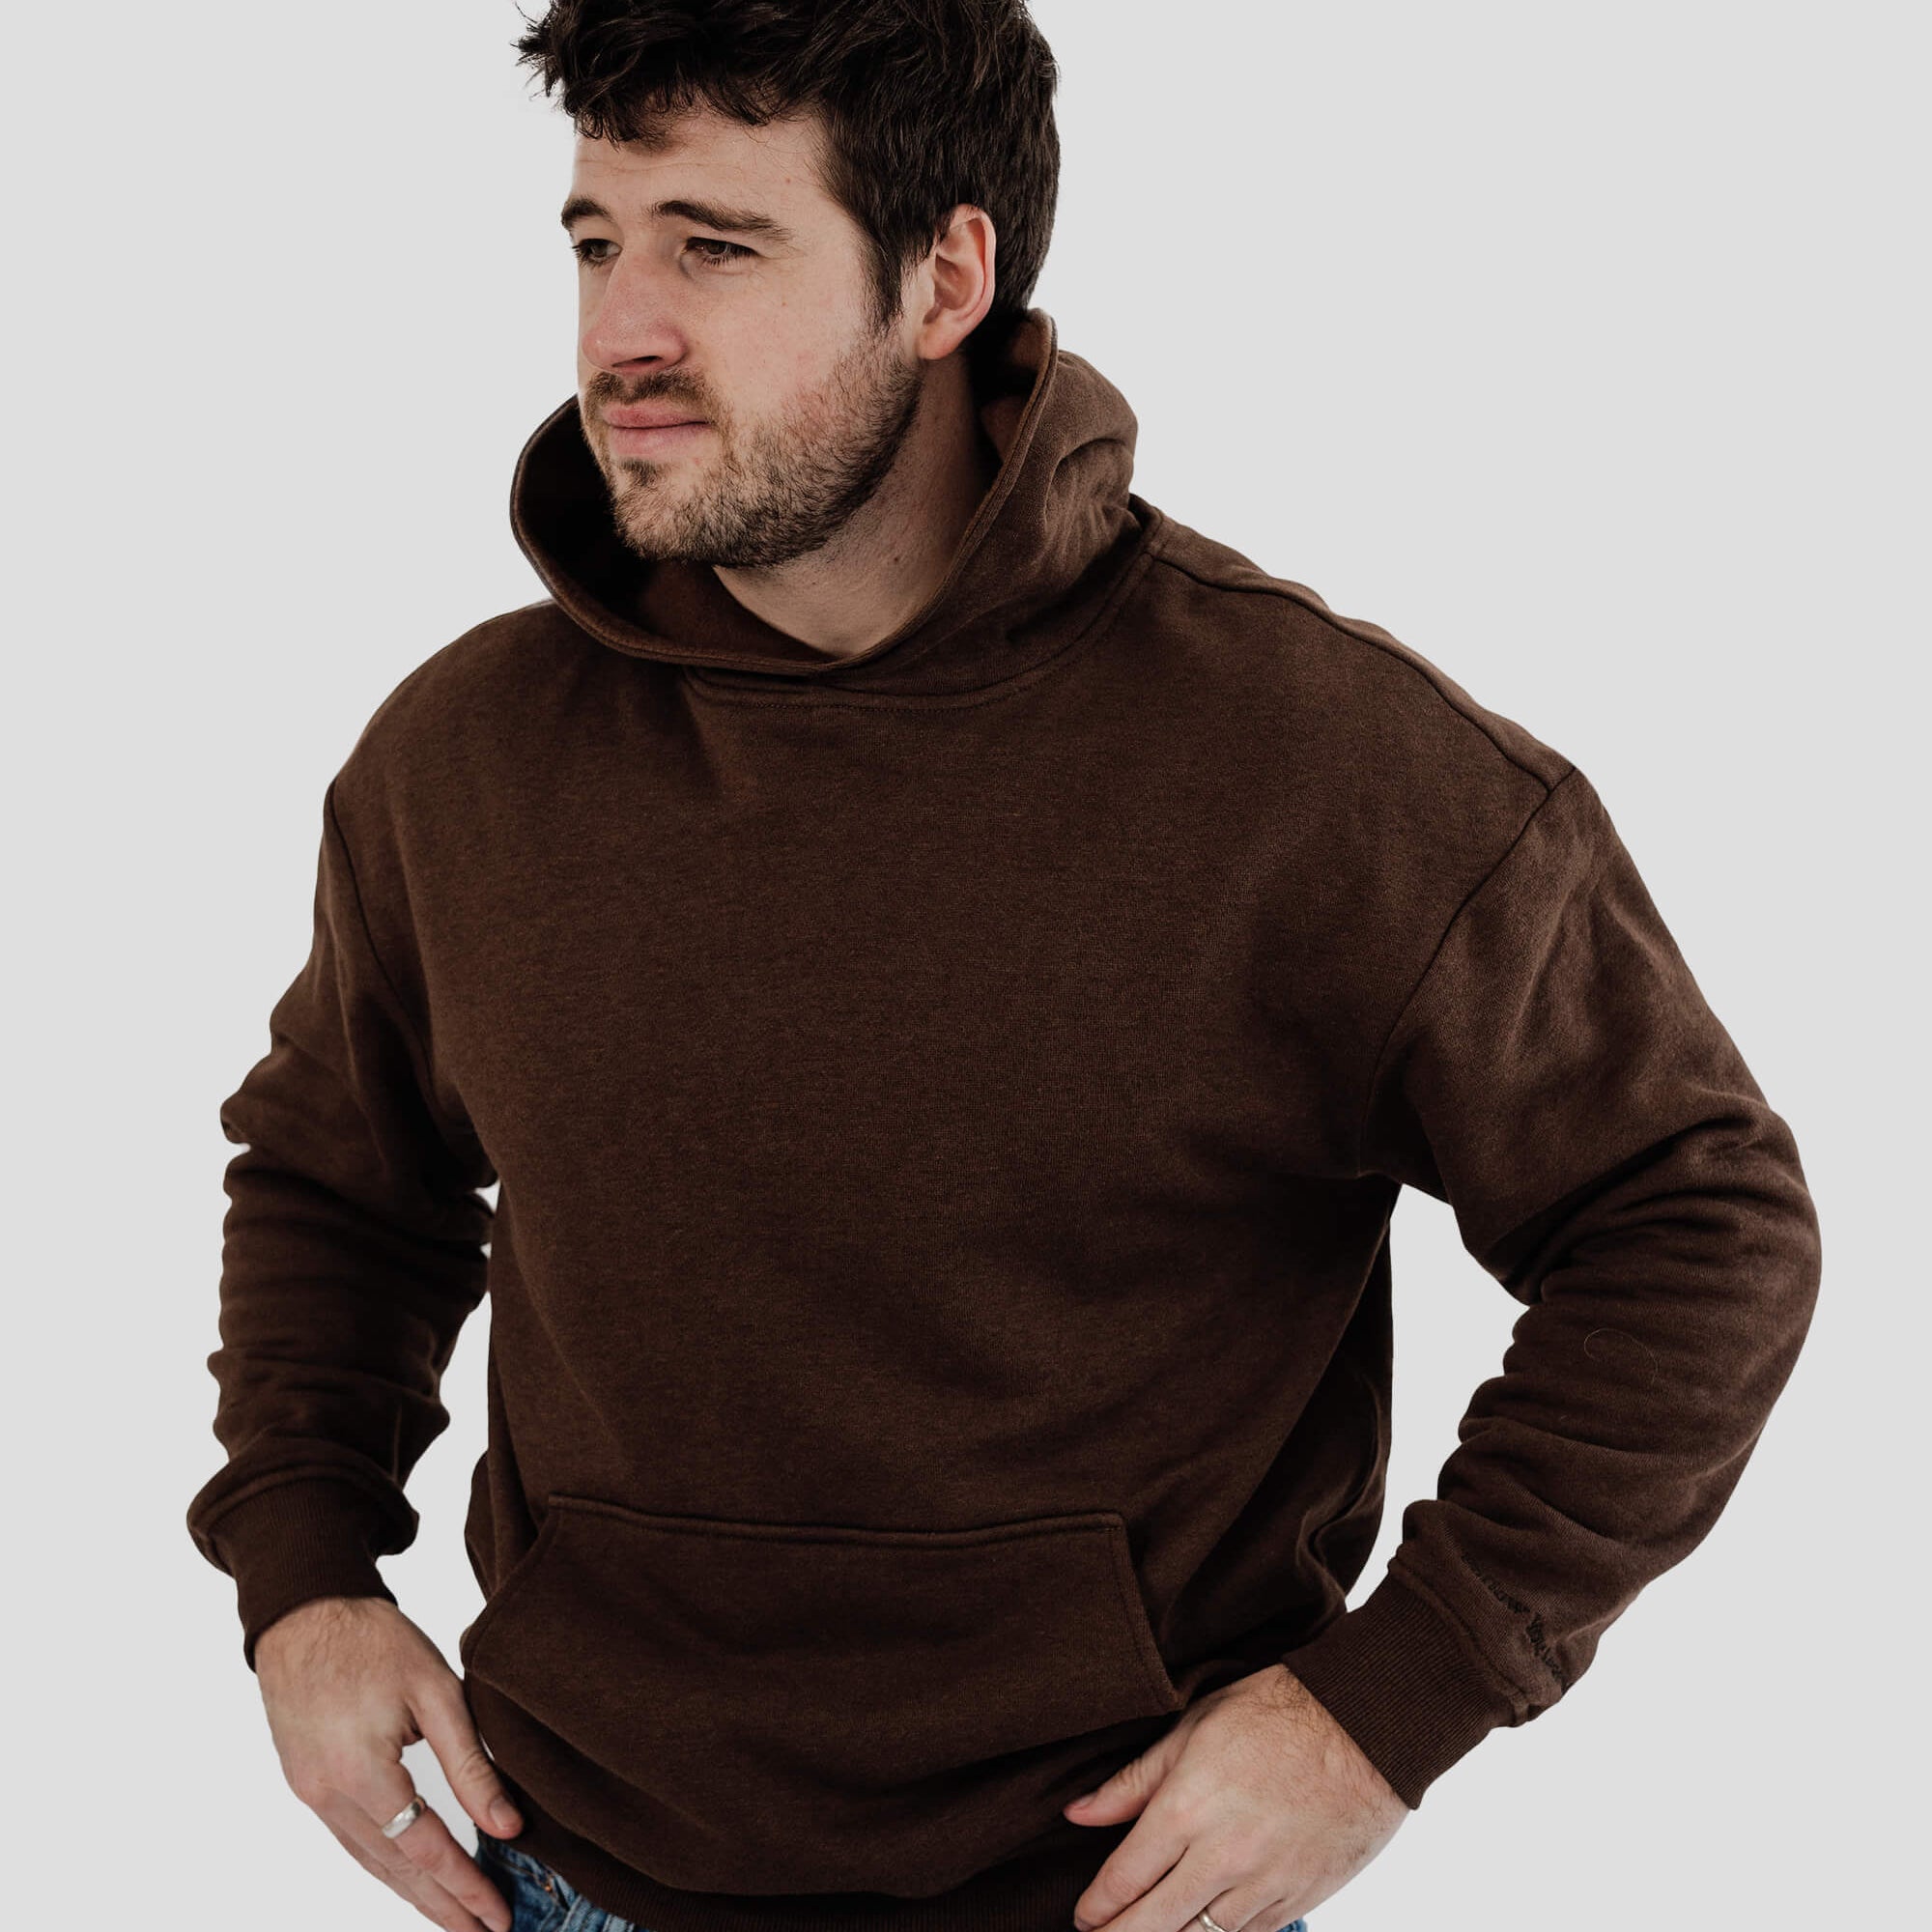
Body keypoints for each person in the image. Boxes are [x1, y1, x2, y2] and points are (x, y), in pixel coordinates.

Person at [185, 5, 1823, 1932]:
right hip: (566, 1869)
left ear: (945, 278)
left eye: (715, 246)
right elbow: (341, 1182)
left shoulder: (1319, 768)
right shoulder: (461, 757)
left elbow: (1693, 1217)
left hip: (1111, 1897)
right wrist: (303, 1575)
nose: (620, 327)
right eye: (596, 240)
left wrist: (1391, 1705)